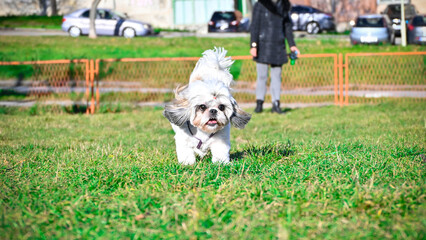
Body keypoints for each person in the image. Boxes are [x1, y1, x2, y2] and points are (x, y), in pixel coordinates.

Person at [250, 0, 300, 114]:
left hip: (278, 47)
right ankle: (259, 104)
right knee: (262, 76)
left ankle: (276, 104)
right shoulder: (260, 4)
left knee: (276, 77)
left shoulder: (284, 5)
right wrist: (253, 45)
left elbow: (287, 27)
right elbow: (255, 26)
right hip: (262, 46)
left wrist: (292, 45)